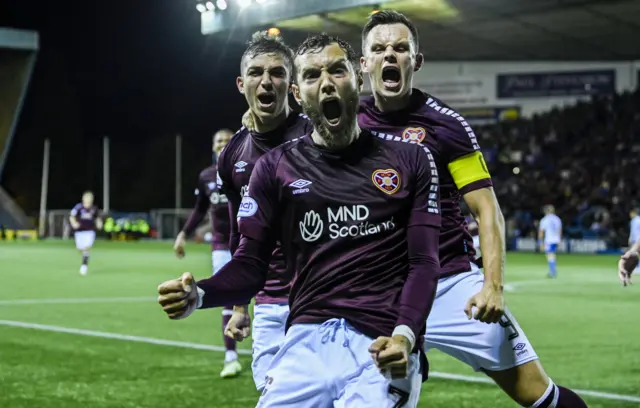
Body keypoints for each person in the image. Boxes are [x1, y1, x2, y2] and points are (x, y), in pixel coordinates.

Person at [158, 33, 441, 407]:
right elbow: (249, 263)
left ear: (358, 77)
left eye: (337, 70)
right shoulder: (274, 169)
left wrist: (406, 335)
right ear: (298, 93)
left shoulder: (411, 160)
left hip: (381, 341)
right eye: (311, 76)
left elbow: (424, 263)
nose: (326, 83)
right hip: (305, 339)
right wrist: (202, 294)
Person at [357, 10, 588, 408]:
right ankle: (412, 364)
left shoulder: (446, 126)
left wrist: (493, 285)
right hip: (376, 292)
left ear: (416, 61)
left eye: (400, 48)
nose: (389, 56)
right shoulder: (350, 123)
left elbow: (487, 210)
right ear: (364, 64)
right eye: (378, 49)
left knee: (537, 394)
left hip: (449, 282)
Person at [216, 31, 312, 391]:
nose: (266, 81)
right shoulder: (232, 156)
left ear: (291, 83)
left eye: (277, 73)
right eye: (256, 73)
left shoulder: (317, 137)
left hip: (322, 297)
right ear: (242, 84)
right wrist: (240, 305)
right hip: (270, 303)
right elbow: (239, 234)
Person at [173, 128, 238, 378]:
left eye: (226, 140)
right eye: (218, 141)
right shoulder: (206, 177)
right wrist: (183, 234)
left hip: (251, 242)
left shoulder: (246, 169)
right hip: (222, 244)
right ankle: (230, 356)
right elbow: (200, 210)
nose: (222, 144)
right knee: (228, 298)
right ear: (213, 147)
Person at [69, 191, 102, 276]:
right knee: (80, 248)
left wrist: (99, 223)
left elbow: (97, 218)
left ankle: (84, 266)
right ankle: (84, 255)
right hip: (79, 232)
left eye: (89, 199)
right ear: (83, 199)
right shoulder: (78, 207)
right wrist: (74, 224)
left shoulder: (94, 209)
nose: (88, 200)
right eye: (86, 198)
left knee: (87, 248)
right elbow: (72, 216)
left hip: (90, 231)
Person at [538, 205, 563, 278]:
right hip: (556, 239)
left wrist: (540, 242)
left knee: (550, 255)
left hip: (549, 240)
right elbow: (559, 230)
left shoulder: (545, 219)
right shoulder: (557, 219)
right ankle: (552, 271)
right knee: (552, 255)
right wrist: (559, 240)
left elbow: (541, 231)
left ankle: (552, 272)